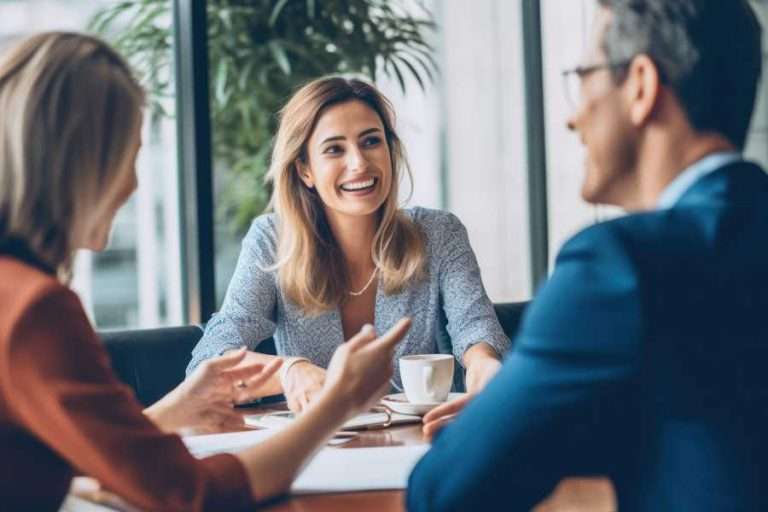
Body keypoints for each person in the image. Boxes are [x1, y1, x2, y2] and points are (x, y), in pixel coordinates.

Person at [0, 31, 412, 511]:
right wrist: (336, 404)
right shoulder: (34, 310)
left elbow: (63, 459)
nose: (133, 184)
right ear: (79, 164)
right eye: (128, 157)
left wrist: (173, 411)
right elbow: (196, 496)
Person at [408, 1, 768, 510]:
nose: (572, 118)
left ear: (641, 85)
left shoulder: (619, 265)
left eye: (583, 76)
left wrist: (508, 419)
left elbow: (440, 492)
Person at [187, 77, 510, 412]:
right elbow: (211, 359)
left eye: (371, 141)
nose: (358, 163)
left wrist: (484, 367)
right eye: (334, 149)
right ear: (305, 170)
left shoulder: (439, 232)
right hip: (316, 451)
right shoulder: (271, 240)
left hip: (420, 440)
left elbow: (476, 331)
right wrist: (289, 371)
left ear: (390, 150)